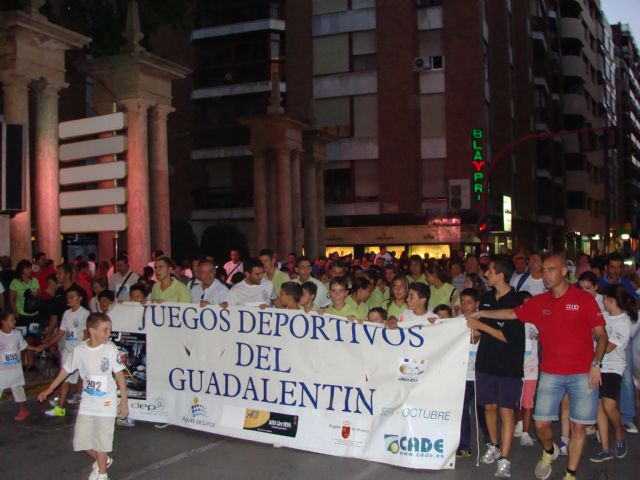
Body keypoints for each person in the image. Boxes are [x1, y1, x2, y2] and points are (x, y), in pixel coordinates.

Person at [467, 254, 608, 480]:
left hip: (583, 373)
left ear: (564, 272)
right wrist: (481, 312)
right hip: (551, 372)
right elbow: (513, 313)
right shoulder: (540, 301)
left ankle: (570, 474)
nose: (546, 274)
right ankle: (549, 450)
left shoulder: (583, 299)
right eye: (543, 270)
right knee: (541, 426)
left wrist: (596, 363)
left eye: (551, 269)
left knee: (578, 427)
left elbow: (601, 335)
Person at [38, 312, 128, 480]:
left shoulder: (110, 348)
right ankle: (104, 461)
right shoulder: (79, 350)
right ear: (92, 330)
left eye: (109, 330)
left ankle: (102, 474)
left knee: (102, 441)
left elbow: (120, 374)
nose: (109, 334)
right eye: (105, 330)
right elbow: (66, 370)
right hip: (88, 402)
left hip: (106, 402)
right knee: (82, 441)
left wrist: (124, 400)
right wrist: (50, 389)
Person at [468, 256, 523, 478]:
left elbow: (505, 335)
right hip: (485, 362)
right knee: (489, 407)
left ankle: (505, 458)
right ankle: (494, 444)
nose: (486, 274)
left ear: (500, 274)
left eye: (489, 271)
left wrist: (479, 323)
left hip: (509, 364)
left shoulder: (516, 300)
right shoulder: (487, 297)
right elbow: (482, 329)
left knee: (507, 411)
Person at [589, 284, 636, 462]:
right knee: (599, 408)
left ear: (612, 300)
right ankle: (606, 448)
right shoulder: (605, 316)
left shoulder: (624, 322)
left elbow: (607, 348)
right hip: (596, 366)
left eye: (605, 299)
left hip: (612, 367)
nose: (603, 302)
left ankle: (619, 434)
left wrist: (596, 335)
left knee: (608, 406)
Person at [597, 252, 639, 434]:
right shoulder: (602, 284)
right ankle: (600, 425)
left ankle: (627, 417)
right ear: (606, 268)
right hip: (603, 341)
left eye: (619, 266)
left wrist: (628, 314)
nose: (616, 270)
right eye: (612, 266)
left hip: (615, 343)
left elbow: (635, 303)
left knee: (626, 378)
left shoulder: (625, 283)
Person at [457, 288, 487, 457]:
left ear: (477, 304)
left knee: (483, 408)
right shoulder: (456, 323)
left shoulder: (486, 322)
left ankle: (489, 435)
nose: (465, 306)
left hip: (482, 374)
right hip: (463, 374)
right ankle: (463, 444)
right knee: (462, 408)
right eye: (462, 302)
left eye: (469, 302)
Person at [0, 310, 37, 420]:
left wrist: (36, 348)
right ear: (3, 321)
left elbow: (24, 346)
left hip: (15, 369)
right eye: (11, 319)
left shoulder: (17, 334)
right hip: (2, 370)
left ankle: (22, 410)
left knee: (18, 389)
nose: (14, 321)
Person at [513, 290, 539, 448]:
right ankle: (520, 421)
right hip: (515, 366)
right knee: (516, 399)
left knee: (527, 399)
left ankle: (526, 433)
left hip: (531, 366)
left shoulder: (537, 322)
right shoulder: (513, 322)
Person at [9, 259, 41, 369]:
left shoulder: (35, 281)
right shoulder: (15, 282)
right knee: (21, 339)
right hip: (21, 314)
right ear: (22, 269)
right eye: (28, 268)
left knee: (31, 338)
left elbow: (39, 295)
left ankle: (31, 363)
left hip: (34, 314)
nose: (30, 270)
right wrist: (16, 313)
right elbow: (12, 299)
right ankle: (21, 363)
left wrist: (35, 294)